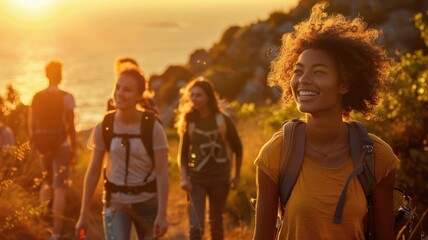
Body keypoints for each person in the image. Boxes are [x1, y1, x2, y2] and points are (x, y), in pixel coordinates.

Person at [253, 3, 398, 240]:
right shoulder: (277, 152)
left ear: (344, 84)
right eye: (298, 71)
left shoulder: (376, 157)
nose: (303, 80)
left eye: (318, 72)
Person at [75, 65, 169, 240]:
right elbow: (94, 171)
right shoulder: (105, 125)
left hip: (148, 201)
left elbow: (162, 172)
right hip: (115, 202)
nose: (119, 93)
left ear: (139, 96)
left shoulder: (153, 127)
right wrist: (83, 214)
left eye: (127, 90)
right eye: (117, 87)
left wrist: (162, 214)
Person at [175, 77, 243, 240]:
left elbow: (238, 148)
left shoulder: (223, 119)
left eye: (199, 95)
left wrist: (236, 176)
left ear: (208, 97)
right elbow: (183, 154)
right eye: (192, 95)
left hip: (221, 179)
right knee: (195, 228)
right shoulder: (189, 121)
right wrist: (184, 178)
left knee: (216, 224)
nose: (194, 99)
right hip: (196, 180)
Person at [28, 60, 77, 240]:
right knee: (60, 189)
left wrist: (36, 143)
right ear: (61, 75)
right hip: (61, 146)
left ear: (46, 75)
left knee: (46, 183)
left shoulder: (36, 97)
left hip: (42, 146)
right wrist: (75, 150)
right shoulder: (67, 97)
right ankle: (56, 233)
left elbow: (31, 124)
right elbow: (71, 126)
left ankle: (43, 225)